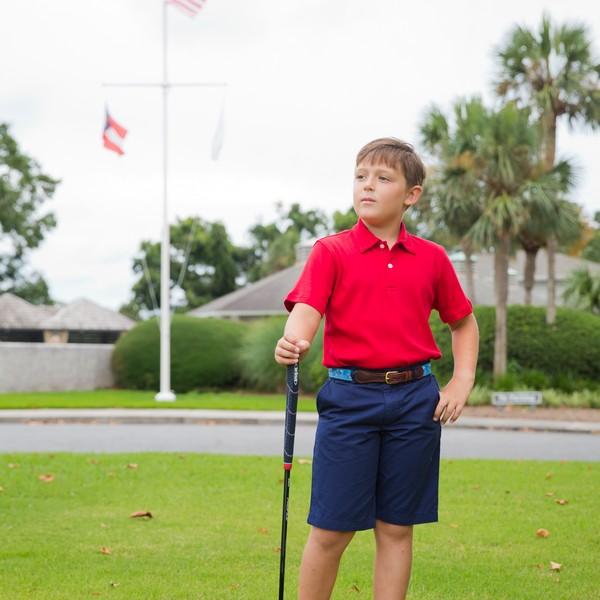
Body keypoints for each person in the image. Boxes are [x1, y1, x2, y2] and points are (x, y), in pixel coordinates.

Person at [274, 137, 479, 600]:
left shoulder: (432, 258)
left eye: (383, 178)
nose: (368, 186)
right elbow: (307, 310)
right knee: (331, 530)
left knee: (396, 528)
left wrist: (461, 381)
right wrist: (293, 340)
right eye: (361, 177)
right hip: (350, 400)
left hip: (415, 400)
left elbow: (463, 324)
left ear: (411, 195)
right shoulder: (331, 251)